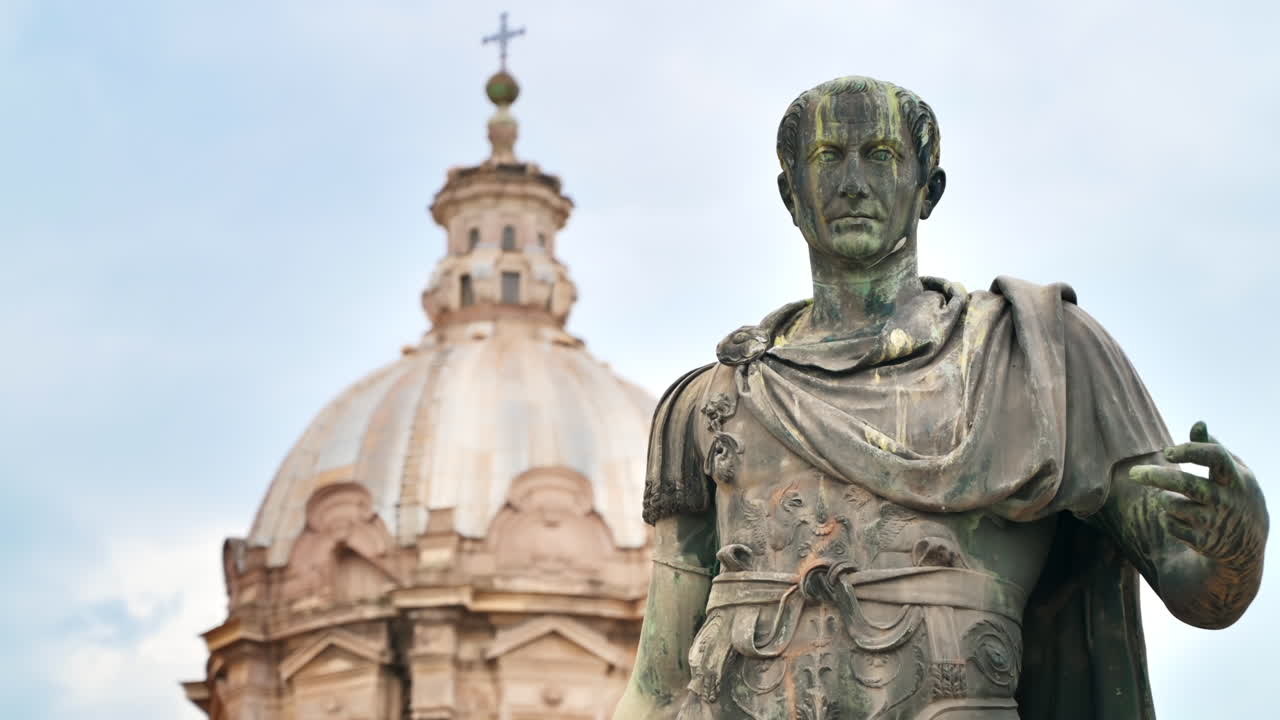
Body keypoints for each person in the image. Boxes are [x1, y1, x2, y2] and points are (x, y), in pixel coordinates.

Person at [613, 76, 1268, 720]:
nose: (852, 183)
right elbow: (658, 680)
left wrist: (1237, 544)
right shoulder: (714, 400)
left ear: (928, 191)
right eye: (826, 158)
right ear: (792, 194)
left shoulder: (1034, 361)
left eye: (881, 156)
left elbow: (1196, 589)